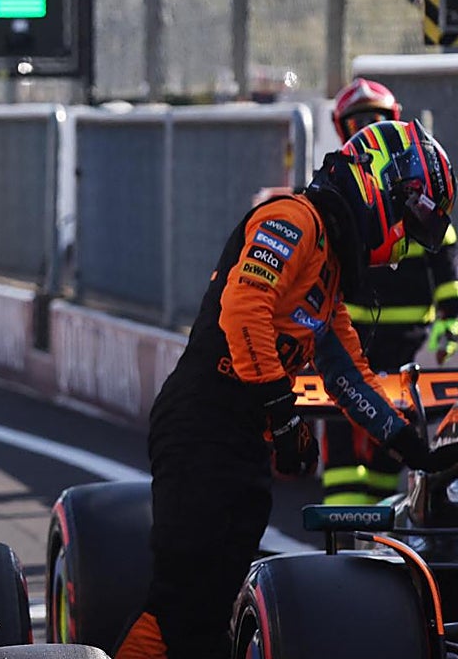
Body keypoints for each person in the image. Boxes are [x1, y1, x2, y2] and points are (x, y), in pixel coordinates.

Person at [114, 119, 458, 659]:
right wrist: (282, 410)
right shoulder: (292, 220)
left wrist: (414, 447)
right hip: (201, 425)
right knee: (182, 604)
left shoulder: (327, 274)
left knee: (213, 611)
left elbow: (348, 376)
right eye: (409, 220)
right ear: (381, 184)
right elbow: (243, 307)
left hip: (239, 439)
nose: (401, 247)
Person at [320, 78, 458, 505]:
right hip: (350, 336)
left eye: (375, 120)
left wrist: (450, 323)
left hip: (406, 343)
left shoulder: (418, 199)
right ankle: (342, 523)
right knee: (340, 428)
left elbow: (447, 266)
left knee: (396, 432)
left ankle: (378, 516)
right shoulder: (338, 202)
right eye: (356, 123)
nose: (367, 130)